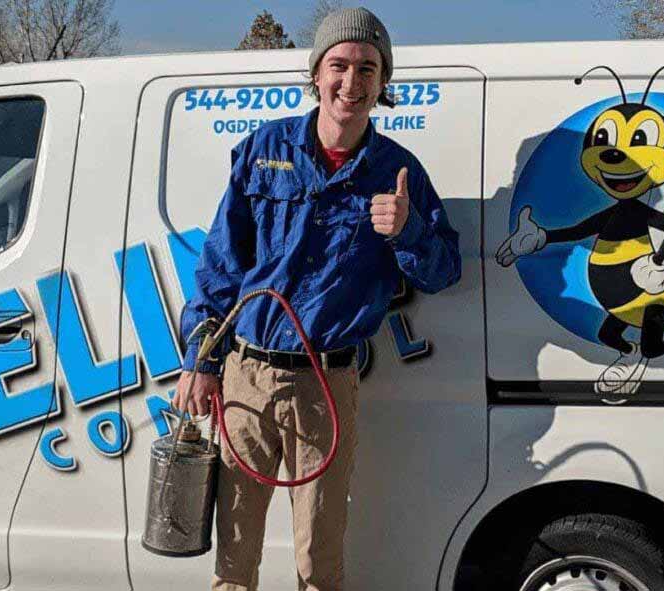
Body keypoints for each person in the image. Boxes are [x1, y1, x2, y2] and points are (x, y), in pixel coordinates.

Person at [172, 7, 461, 591]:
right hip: (246, 378)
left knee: (318, 563)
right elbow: (221, 266)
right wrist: (200, 360)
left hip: (326, 387)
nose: (352, 82)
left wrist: (407, 230)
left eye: (367, 68)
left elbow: (444, 271)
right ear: (317, 74)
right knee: (233, 559)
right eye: (339, 65)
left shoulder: (398, 171)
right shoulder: (264, 149)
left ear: (383, 83)